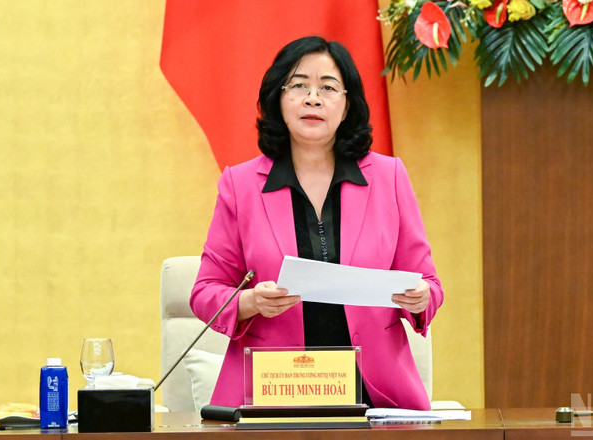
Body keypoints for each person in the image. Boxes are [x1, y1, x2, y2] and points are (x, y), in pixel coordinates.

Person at [189, 35, 443, 410]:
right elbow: (205, 292)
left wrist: (420, 298)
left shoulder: (388, 176)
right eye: (298, 86)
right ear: (278, 99)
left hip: (373, 391)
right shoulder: (239, 185)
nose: (313, 98)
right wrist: (250, 301)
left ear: (347, 105)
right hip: (275, 390)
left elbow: (430, 286)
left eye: (327, 87)